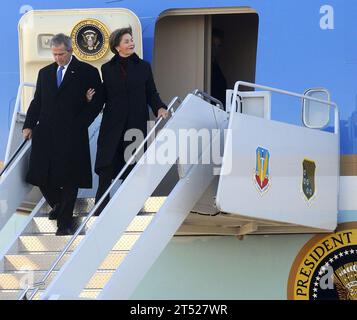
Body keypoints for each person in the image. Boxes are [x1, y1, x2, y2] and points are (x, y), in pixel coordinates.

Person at [22, 33, 104, 235]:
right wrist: (29, 124)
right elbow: (37, 101)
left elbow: (98, 100)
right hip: (46, 132)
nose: (58, 58)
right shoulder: (45, 73)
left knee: (70, 179)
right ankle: (58, 205)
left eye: (61, 54)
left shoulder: (87, 71)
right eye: (54, 54)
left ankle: (64, 225)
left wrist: (82, 122)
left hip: (72, 133)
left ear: (71, 50)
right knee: (39, 174)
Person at [94, 27, 168, 214]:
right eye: (126, 41)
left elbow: (151, 92)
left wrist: (159, 107)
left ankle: (129, 208)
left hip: (134, 125)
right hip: (112, 125)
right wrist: (88, 99)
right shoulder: (107, 69)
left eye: (131, 40)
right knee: (106, 166)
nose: (131, 43)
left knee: (132, 166)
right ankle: (99, 208)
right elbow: (104, 96)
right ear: (117, 46)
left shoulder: (144, 67)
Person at [211, 28, 227, 106]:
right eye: (213, 45)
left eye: (219, 46)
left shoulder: (216, 66)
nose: (216, 49)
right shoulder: (208, 69)